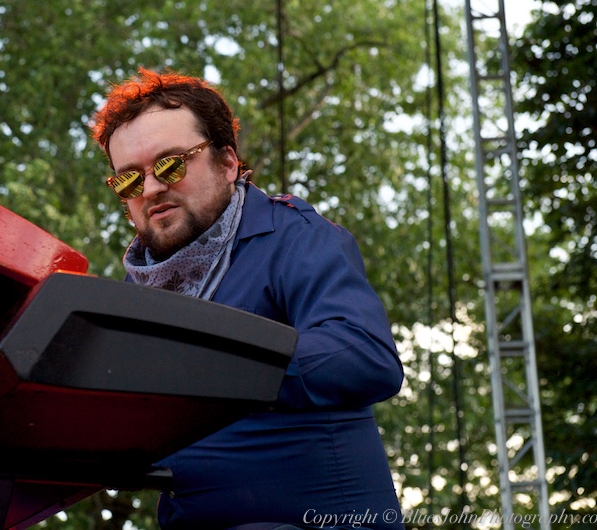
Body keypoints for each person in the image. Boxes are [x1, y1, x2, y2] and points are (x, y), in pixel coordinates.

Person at [90, 68, 406, 530]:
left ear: (227, 163)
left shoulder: (293, 237)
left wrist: (208, 367)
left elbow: (365, 355)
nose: (152, 188)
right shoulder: (133, 292)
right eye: (129, 181)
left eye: (170, 164)